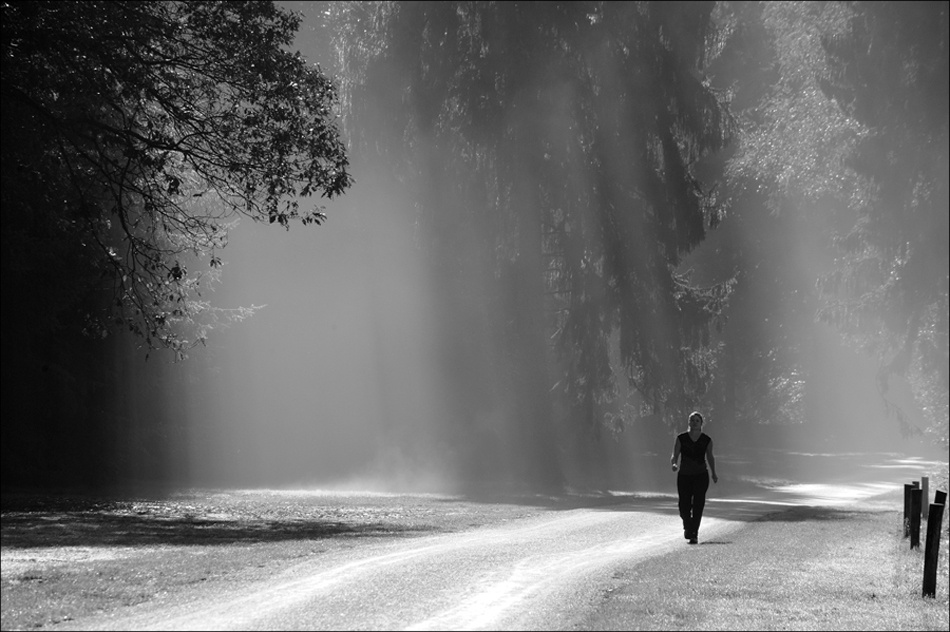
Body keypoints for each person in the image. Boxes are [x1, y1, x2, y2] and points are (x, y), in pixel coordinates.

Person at [670, 411, 718, 544]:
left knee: (698, 505)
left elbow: (710, 457)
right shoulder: (681, 438)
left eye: (697, 420)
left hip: (701, 475)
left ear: (701, 423)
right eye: (692, 420)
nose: (694, 422)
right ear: (688, 422)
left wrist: (713, 473)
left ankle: (694, 534)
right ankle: (687, 524)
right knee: (683, 505)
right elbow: (675, 454)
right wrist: (674, 463)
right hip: (684, 475)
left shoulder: (706, 440)